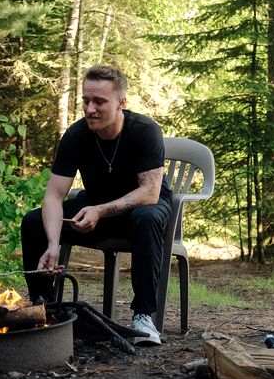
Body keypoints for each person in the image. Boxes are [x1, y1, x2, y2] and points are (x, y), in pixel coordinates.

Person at [20, 64, 173, 346]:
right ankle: (44, 309)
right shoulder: (76, 135)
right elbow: (53, 196)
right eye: (86, 101)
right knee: (33, 223)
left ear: (121, 103)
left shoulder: (145, 131)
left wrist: (100, 211)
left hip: (142, 208)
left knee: (147, 217)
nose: (90, 109)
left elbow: (149, 193)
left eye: (99, 101)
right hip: (96, 207)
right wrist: (53, 242)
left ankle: (143, 317)